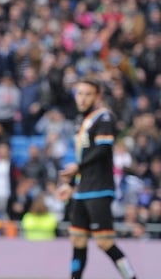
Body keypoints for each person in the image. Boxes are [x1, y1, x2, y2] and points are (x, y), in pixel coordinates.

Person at [56, 76, 137, 279]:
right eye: (79, 94)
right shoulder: (80, 121)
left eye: (88, 94)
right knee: (78, 239)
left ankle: (131, 277)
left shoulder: (104, 118)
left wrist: (78, 167)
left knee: (104, 242)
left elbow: (102, 150)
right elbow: (83, 156)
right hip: (83, 189)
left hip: (99, 188)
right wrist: (72, 184)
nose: (82, 99)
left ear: (97, 97)